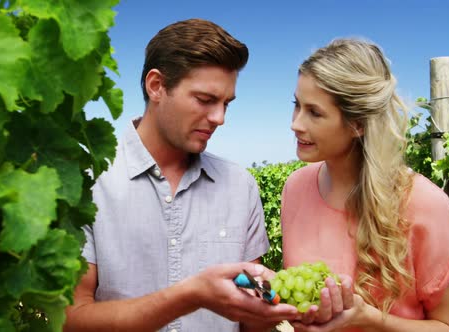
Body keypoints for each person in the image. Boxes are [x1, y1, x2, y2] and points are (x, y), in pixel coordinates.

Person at [63, 18, 299, 332]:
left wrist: (278, 300)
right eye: (205, 100)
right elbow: (71, 318)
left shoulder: (239, 186)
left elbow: (248, 299)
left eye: (226, 103)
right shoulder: (87, 180)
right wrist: (190, 296)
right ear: (156, 86)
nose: (219, 118)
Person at [281, 38, 449, 331]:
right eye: (297, 105)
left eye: (314, 112)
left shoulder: (425, 205)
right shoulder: (295, 189)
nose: (295, 123)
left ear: (358, 124)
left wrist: (369, 319)